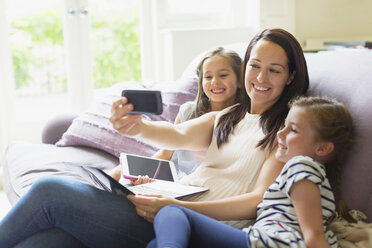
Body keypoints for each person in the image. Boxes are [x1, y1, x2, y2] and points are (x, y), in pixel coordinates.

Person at [0, 28, 309, 248]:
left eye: (274, 70)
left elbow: (256, 201)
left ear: (291, 76)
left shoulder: (286, 131)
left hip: (193, 226)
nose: (260, 78)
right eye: (255, 66)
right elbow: (175, 134)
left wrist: (177, 207)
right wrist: (135, 126)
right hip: (163, 208)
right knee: (48, 241)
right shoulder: (226, 117)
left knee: (49, 191)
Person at [147, 96, 354, 248]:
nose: (280, 133)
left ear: (323, 148)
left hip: (267, 243)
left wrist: (177, 204)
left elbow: (314, 235)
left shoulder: (302, 166)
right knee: (157, 242)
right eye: (284, 126)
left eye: (293, 130)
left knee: (173, 212)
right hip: (259, 239)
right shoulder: (302, 173)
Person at [110, 46, 243, 181]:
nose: (215, 82)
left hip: (194, 184)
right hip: (173, 175)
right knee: (119, 172)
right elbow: (167, 152)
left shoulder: (242, 120)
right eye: (208, 76)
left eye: (223, 75)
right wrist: (143, 173)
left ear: (239, 80)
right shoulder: (188, 111)